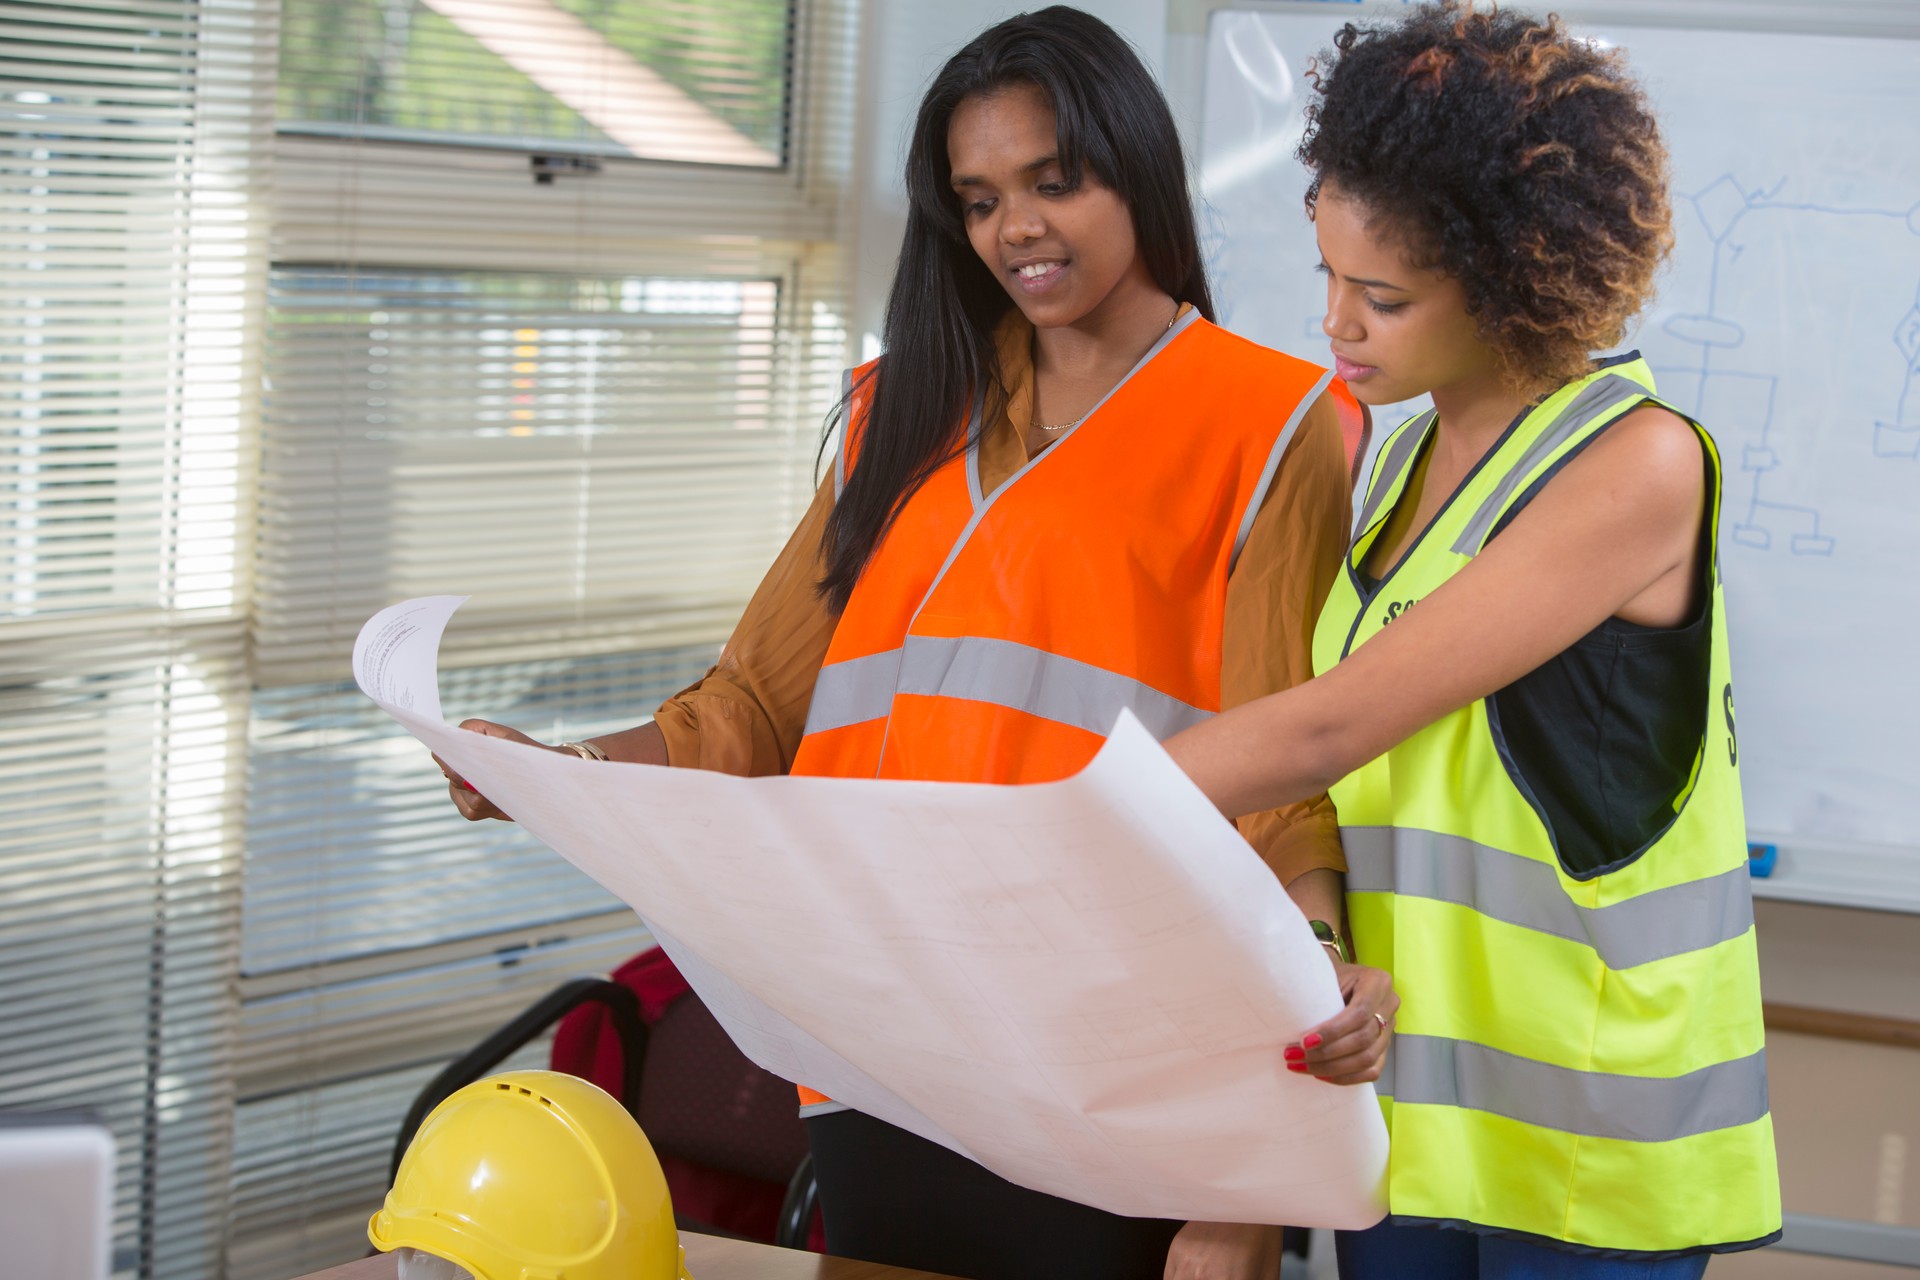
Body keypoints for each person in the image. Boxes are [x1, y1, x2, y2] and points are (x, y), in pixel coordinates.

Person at [436, 8, 1379, 1279]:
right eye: (981, 199)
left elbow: (1286, 767)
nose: (1018, 228)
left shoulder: (1278, 422)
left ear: (1136, 168)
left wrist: (1272, 1114)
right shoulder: (905, 404)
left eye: (1056, 180)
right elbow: (746, 712)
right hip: (880, 1035)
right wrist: (550, 769)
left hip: (1107, 1057)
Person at [1160, 4, 1782, 1276]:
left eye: (1380, 295)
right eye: (1328, 274)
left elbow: (1335, 722)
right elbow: (1353, 783)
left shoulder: (1637, 463)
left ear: (1511, 274)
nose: (1336, 322)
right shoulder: (1398, 461)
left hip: (1589, 1125)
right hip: (1409, 1097)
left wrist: (1054, 814)